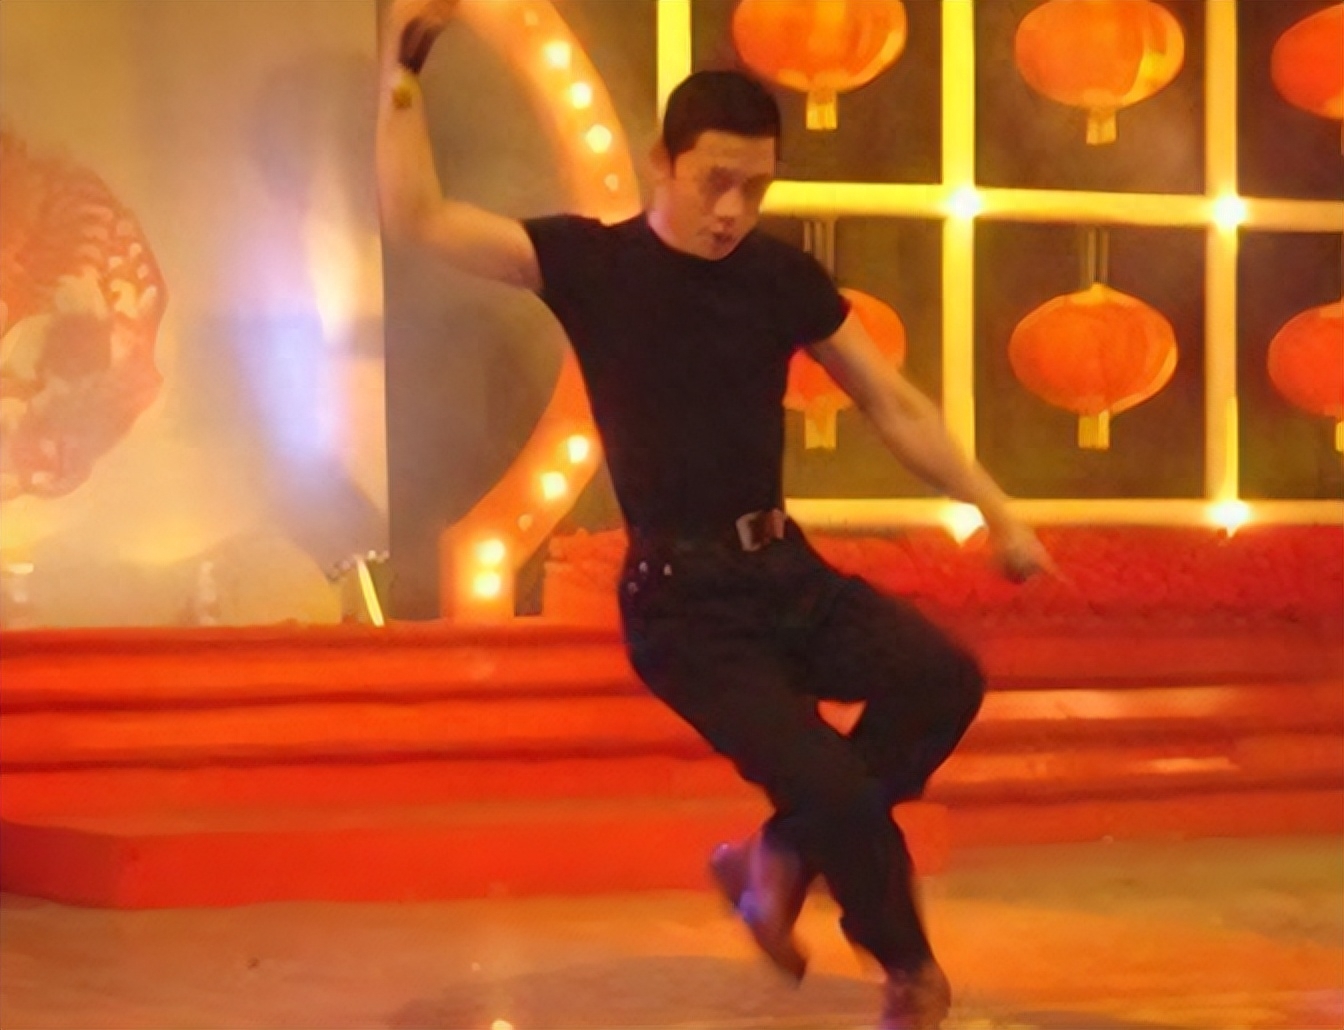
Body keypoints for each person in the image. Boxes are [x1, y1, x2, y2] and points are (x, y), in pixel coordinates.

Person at [377, 2, 1056, 1027]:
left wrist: (996, 508)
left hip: (786, 574)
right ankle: (909, 970)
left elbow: (892, 401)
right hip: (684, 609)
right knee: (833, 784)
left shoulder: (780, 278)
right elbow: (421, 220)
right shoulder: (593, 265)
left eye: (756, 187)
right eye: (714, 182)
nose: (733, 209)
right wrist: (399, 79)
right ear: (663, 162)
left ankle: (775, 859)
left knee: (942, 679)